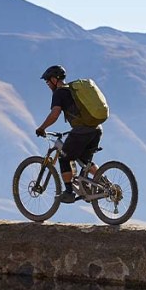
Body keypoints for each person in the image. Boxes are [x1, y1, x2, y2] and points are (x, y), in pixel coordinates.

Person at [34, 65, 101, 204]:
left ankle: (69, 192)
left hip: (82, 130)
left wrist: (41, 128)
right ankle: (105, 185)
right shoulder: (72, 90)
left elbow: (54, 114)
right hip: (96, 128)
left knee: (64, 158)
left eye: (47, 81)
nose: (47, 85)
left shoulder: (59, 93)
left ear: (53, 79)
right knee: (85, 161)